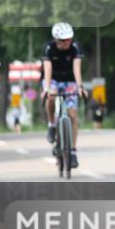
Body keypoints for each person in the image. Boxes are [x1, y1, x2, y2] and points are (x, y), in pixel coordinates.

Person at [42, 22, 86, 168]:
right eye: (63, 40)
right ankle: (51, 124)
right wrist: (47, 88)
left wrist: (80, 87)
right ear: (56, 40)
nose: (67, 42)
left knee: (73, 115)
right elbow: (47, 69)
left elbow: (77, 68)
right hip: (54, 79)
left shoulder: (75, 47)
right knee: (51, 97)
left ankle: (73, 151)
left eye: (69, 39)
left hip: (70, 80)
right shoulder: (49, 48)